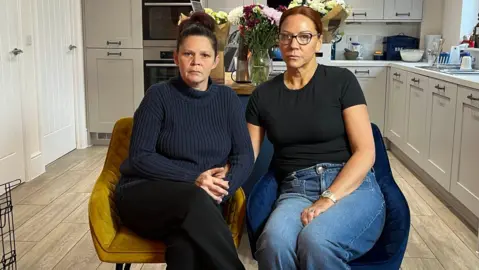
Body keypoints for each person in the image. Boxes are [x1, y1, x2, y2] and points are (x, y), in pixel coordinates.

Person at [246, 6, 386, 270]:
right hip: (296, 189)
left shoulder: (341, 81)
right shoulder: (262, 95)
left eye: (304, 37)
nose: (293, 44)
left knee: (316, 241)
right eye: (286, 36)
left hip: (349, 186)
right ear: (278, 40)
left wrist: (328, 198)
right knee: (273, 244)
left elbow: (366, 151)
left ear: (319, 40)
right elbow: (247, 154)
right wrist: (215, 173)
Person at [114, 12, 254, 270]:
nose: (195, 62)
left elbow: (244, 156)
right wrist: (195, 178)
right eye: (188, 54)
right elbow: (141, 157)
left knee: (186, 248)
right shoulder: (158, 96)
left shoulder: (226, 100)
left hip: (200, 204)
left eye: (204, 55)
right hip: (144, 196)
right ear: (177, 58)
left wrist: (219, 192)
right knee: (194, 200)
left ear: (215, 61)